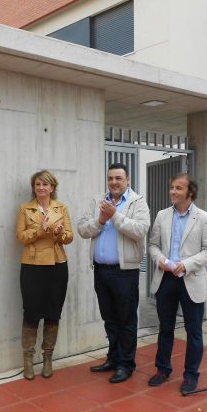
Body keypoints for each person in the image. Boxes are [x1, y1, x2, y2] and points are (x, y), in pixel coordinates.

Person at [77, 163, 150, 383]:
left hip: (125, 272)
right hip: (100, 270)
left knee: (126, 319)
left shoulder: (138, 202)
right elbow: (82, 229)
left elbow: (139, 231)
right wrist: (100, 219)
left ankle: (126, 364)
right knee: (109, 318)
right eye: (110, 178)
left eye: (118, 178)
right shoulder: (98, 201)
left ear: (127, 180)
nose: (114, 182)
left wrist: (115, 216)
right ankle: (113, 358)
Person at [147, 173, 207, 393]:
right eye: (172, 187)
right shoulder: (162, 215)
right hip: (165, 279)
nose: (173, 192)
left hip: (191, 280)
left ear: (190, 192)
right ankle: (162, 369)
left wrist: (186, 264)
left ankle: (191, 375)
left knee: (193, 331)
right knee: (165, 328)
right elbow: (153, 245)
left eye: (178, 188)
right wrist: (161, 260)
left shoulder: (205, 218)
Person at [16, 170, 73, 380]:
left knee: (53, 312)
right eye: (37, 184)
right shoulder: (25, 208)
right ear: (34, 187)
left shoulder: (62, 208)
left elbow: (69, 237)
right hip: (32, 266)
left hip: (57, 265)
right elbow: (20, 236)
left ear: (52, 187)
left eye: (45, 184)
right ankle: (28, 359)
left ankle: (48, 357)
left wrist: (59, 234)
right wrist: (40, 230)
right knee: (31, 312)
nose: (41, 188)